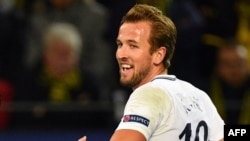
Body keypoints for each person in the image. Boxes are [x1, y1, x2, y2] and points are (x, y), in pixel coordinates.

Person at [79, 4, 224, 141]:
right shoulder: (199, 96)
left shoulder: (148, 94)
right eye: (120, 44)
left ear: (158, 55)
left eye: (133, 46)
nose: (121, 54)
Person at [208, 39, 250, 124]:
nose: (233, 69)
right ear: (218, 67)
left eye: (238, 63)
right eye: (227, 64)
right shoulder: (204, 93)